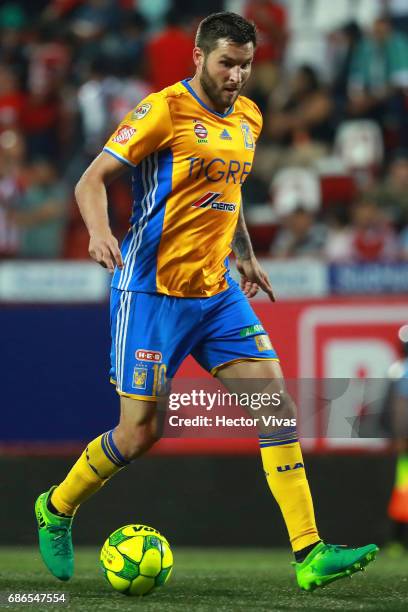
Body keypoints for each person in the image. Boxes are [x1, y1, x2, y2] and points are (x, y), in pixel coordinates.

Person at [35, 12, 378, 591]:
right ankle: (57, 507)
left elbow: (229, 189)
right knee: (141, 432)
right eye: (227, 63)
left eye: (246, 65)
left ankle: (309, 553)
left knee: (277, 408)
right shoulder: (162, 110)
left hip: (217, 293)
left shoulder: (249, 116)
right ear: (198, 57)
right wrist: (99, 232)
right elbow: (89, 181)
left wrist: (243, 253)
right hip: (151, 292)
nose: (238, 76)